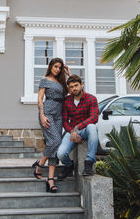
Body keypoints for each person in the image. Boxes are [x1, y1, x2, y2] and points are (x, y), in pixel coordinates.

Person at [32, 58, 70, 193]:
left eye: (60, 67)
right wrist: (42, 115)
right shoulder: (45, 79)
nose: (58, 69)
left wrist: (68, 74)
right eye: (56, 67)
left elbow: (72, 90)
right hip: (47, 112)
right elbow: (40, 98)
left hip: (59, 114)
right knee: (55, 140)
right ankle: (41, 164)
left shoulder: (61, 82)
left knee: (55, 145)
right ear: (51, 66)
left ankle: (50, 179)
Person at [57, 74, 99, 179]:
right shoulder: (67, 101)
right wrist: (72, 131)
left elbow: (94, 118)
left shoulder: (91, 99)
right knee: (60, 154)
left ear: (81, 85)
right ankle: (69, 165)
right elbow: (65, 121)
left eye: (76, 85)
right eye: (71, 87)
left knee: (92, 127)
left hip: (85, 130)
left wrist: (77, 127)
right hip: (71, 131)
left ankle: (89, 163)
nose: (74, 89)